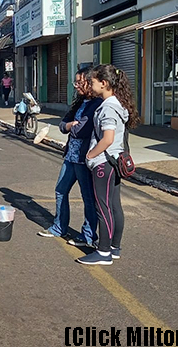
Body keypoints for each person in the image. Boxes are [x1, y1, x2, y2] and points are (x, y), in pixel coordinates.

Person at [78, 64, 139, 265]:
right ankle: (114, 247)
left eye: (93, 82)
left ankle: (104, 252)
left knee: (103, 208)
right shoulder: (117, 104)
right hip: (114, 161)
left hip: (104, 163)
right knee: (114, 206)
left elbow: (108, 138)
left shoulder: (108, 108)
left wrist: (90, 155)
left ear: (103, 84)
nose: (90, 85)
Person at [37, 67, 102, 248]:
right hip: (70, 156)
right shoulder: (80, 102)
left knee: (88, 198)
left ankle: (88, 236)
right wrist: (70, 125)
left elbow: (83, 130)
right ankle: (59, 227)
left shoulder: (97, 104)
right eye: (76, 83)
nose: (77, 86)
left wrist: (72, 126)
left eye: (80, 82)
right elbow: (63, 124)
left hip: (84, 158)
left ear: (90, 82)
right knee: (60, 190)